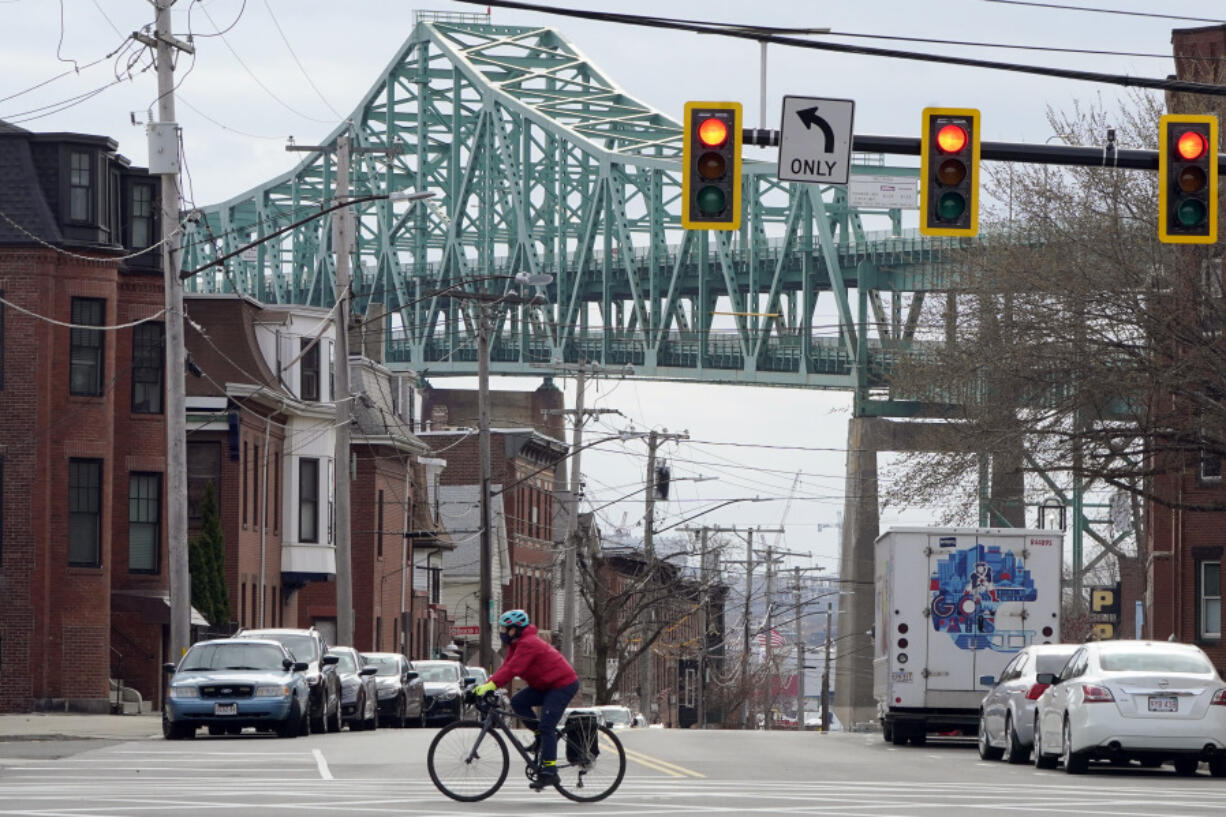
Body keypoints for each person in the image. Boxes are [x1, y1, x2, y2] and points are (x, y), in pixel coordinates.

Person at [473, 609, 579, 790]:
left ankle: (550, 771)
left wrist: (490, 687)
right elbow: (505, 667)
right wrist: (487, 685)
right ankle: (540, 738)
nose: (502, 632)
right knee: (517, 702)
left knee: (548, 726)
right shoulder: (517, 645)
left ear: (516, 629)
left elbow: (513, 669)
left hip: (562, 684)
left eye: (505, 629)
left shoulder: (528, 643)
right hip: (545, 684)